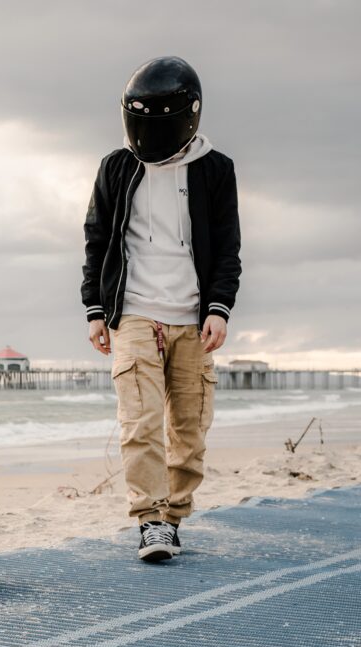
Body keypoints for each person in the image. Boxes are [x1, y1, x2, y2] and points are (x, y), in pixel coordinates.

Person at [81, 56, 241, 562]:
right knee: (139, 422)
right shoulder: (116, 167)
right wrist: (94, 307)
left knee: (188, 430)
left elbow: (227, 246)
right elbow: (97, 237)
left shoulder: (216, 171)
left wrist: (219, 308)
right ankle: (149, 520)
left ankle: (173, 517)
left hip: (194, 319)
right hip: (133, 313)